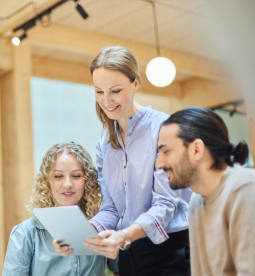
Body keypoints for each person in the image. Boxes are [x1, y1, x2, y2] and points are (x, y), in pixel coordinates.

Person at [56, 46, 190, 276]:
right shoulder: (105, 144)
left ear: (135, 83)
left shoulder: (164, 129)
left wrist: (125, 235)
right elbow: (112, 208)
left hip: (169, 254)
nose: (106, 100)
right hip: (128, 256)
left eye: (115, 91)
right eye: (99, 91)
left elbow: (166, 205)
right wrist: (83, 234)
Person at [155, 107, 255, 276]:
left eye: (166, 151)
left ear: (196, 149)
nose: (158, 164)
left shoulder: (245, 189)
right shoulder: (197, 200)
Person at [2, 142, 105, 276]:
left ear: (88, 181)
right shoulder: (26, 234)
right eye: (58, 176)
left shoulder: (102, 228)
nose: (67, 184)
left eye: (76, 176)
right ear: (47, 181)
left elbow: (119, 268)